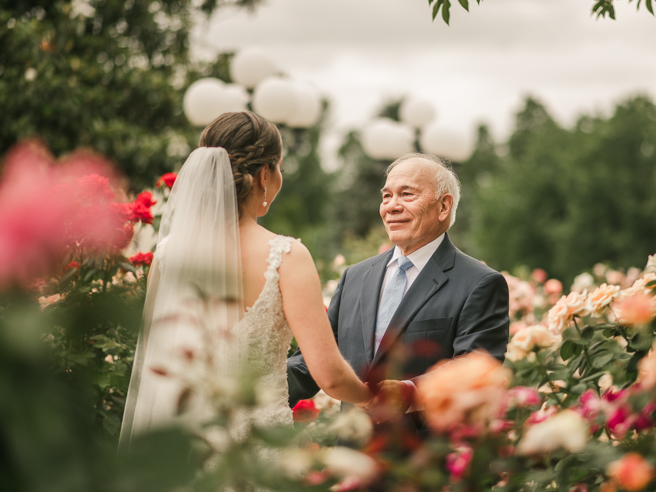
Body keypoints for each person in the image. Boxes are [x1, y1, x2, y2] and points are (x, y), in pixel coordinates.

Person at [119, 112, 372, 448]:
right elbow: (329, 376)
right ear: (264, 175)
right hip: (256, 451)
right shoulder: (287, 257)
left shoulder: (167, 254)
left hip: (183, 446)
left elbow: (155, 357)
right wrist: (375, 397)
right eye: (279, 166)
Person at [287, 153, 510, 431]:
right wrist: (253, 394)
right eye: (386, 196)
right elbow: (315, 358)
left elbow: (476, 368)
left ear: (443, 206)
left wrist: (408, 393)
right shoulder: (354, 277)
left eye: (406, 194)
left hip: (428, 460)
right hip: (352, 454)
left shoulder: (480, 283)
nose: (391, 206)